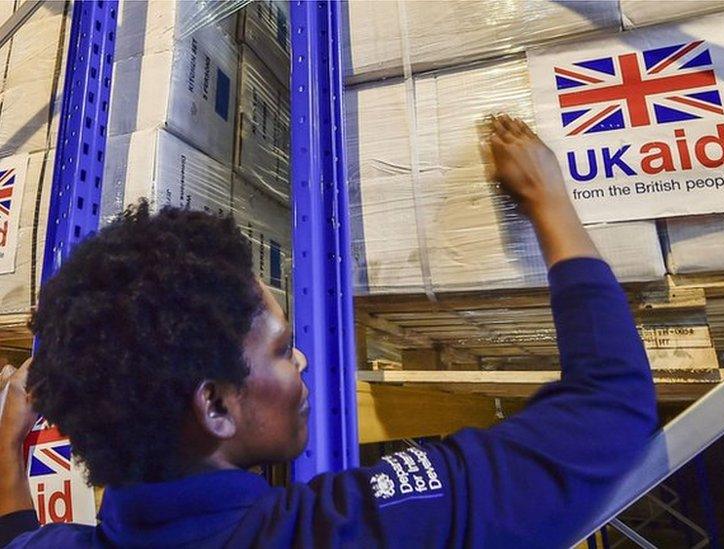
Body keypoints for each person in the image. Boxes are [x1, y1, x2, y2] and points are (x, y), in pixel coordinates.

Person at [0, 115, 657, 547]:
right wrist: (550, 201)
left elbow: (15, 528)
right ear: (217, 404)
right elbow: (612, 406)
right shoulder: (351, 531)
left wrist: (8, 444)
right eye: (282, 350)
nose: (305, 361)